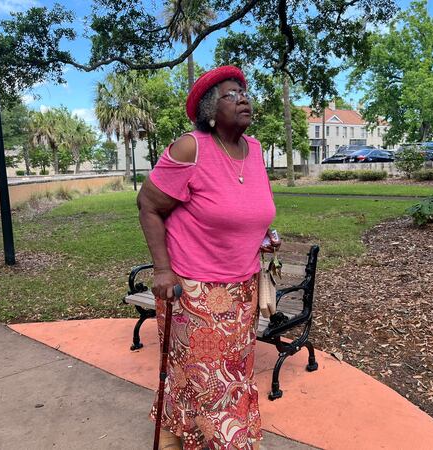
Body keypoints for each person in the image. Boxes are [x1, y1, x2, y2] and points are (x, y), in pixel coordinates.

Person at [137, 65, 279, 450]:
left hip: (241, 291)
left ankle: (178, 438)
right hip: (194, 292)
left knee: (221, 376)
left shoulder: (255, 151)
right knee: (214, 384)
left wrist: (262, 235)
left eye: (245, 92)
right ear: (210, 111)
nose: (243, 98)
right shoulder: (191, 147)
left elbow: (247, 207)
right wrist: (163, 269)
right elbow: (148, 205)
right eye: (231, 94)